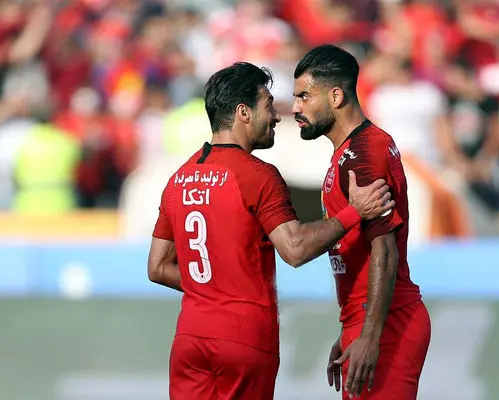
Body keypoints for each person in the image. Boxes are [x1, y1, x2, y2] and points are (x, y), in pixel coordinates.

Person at [147, 62, 395, 400]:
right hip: (243, 339)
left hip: (189, 339)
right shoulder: (257, 175)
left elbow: (158, 267)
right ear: (243, 112)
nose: (277, 116)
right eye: (268, 106)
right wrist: (355, 212)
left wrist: (212, 289)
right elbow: (294, 249)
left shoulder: (179, 179)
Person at [292, 45, 431, 399]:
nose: (296, 108)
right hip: (367, 318)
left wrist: (369, 335)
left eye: (304, 96)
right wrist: (351, 328)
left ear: (336, 96)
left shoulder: (363, 154)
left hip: (388, 322)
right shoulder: (349, 152)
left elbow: (385, 249)